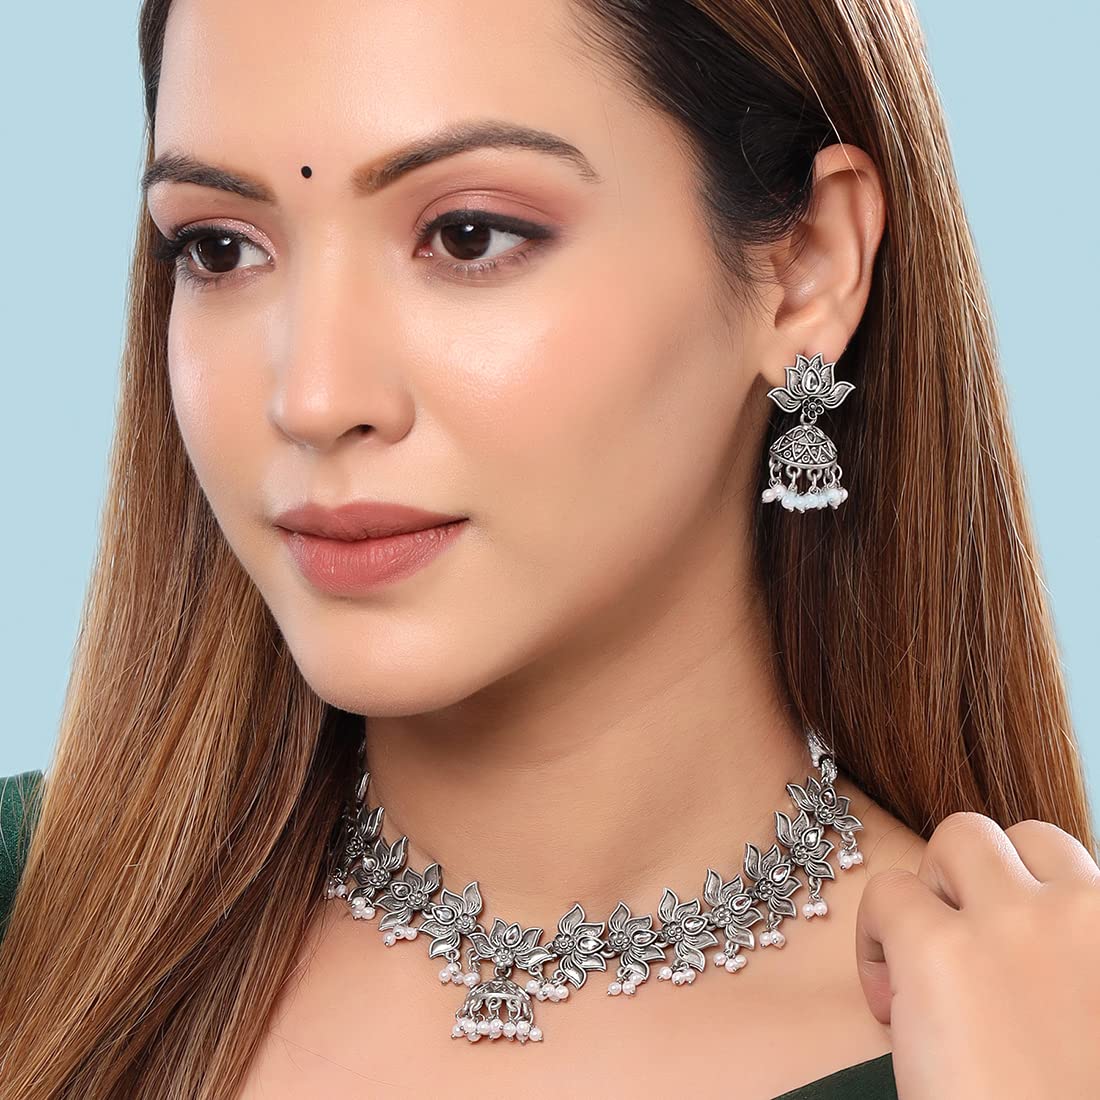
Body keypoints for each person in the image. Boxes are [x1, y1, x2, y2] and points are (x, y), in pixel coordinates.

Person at [0, 0, 1094, 1097]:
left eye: (469, 236)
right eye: (220, 247)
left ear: (805, 267)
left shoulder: (1024, 1046)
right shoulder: (31, 924)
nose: (314, 398)